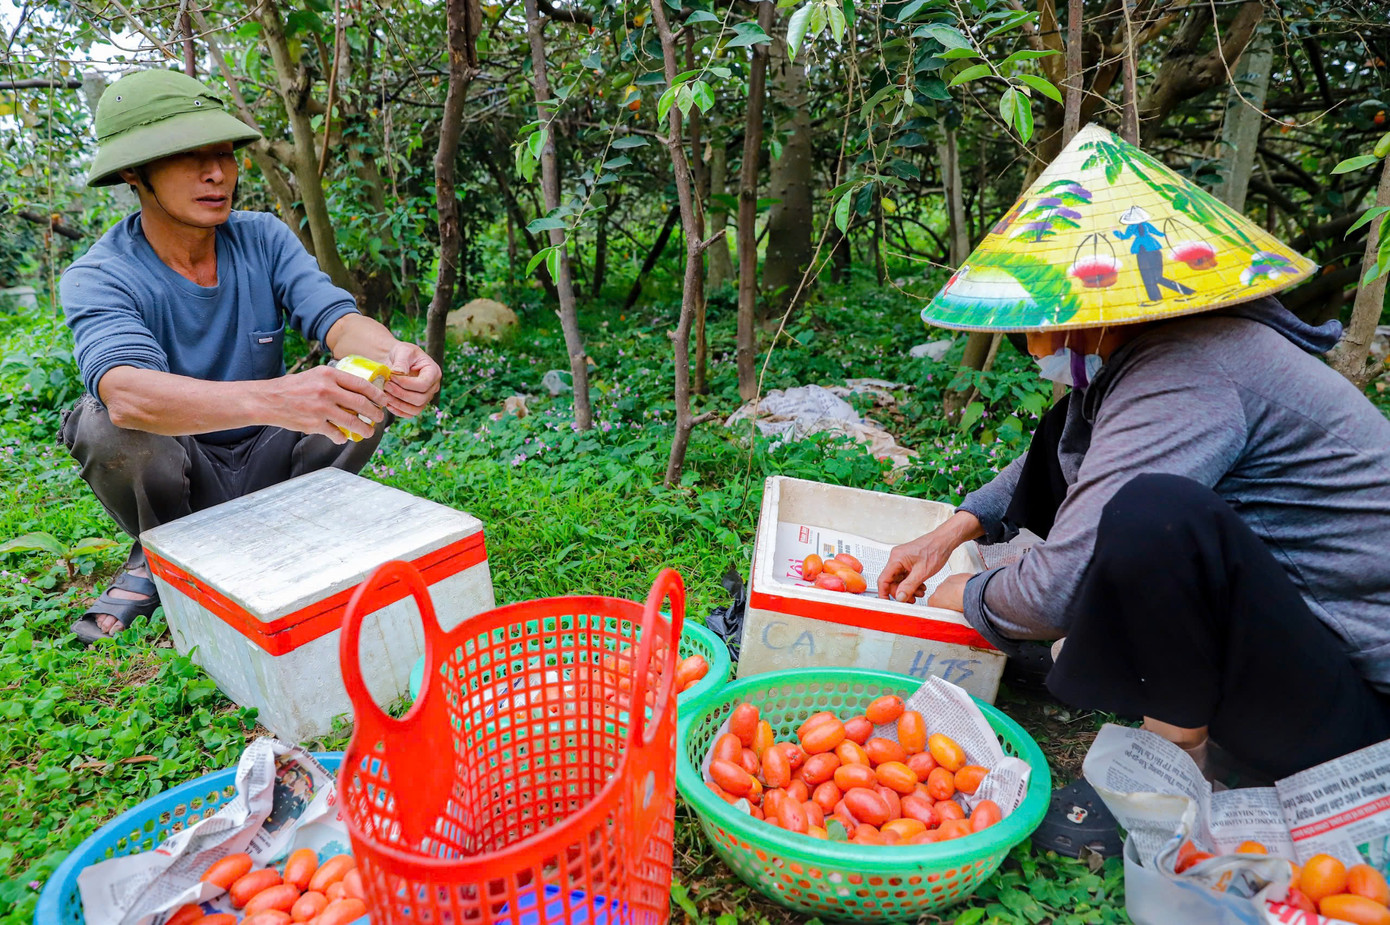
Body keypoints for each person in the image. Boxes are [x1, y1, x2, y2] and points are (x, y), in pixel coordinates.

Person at [879, 123, 1390, 785]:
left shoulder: (1190, 373)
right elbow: (1075, 457)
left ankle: (1174, 765)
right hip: (1301, 650)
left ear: (1098, 306)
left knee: (1154, 513)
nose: (1035, 343)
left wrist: (969, 594)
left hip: (1358, 710)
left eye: (1042, 320)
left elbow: (1055, 591)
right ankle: (1114, 668)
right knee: (1072, 428)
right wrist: (953, 531)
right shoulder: (1174, 349)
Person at [59, 69, 442, 643]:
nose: (217, 173)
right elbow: (127, 392)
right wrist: (279, 398)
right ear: (135, 173)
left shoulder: (262, 237)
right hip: (183, 469)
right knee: (104, 422)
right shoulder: (99, 274)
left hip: (273, 459)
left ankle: (290, 527)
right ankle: (165, 551)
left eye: (224, 154)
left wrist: (397, 356)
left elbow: (338, 321)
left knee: (369, 384)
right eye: (190, 157)